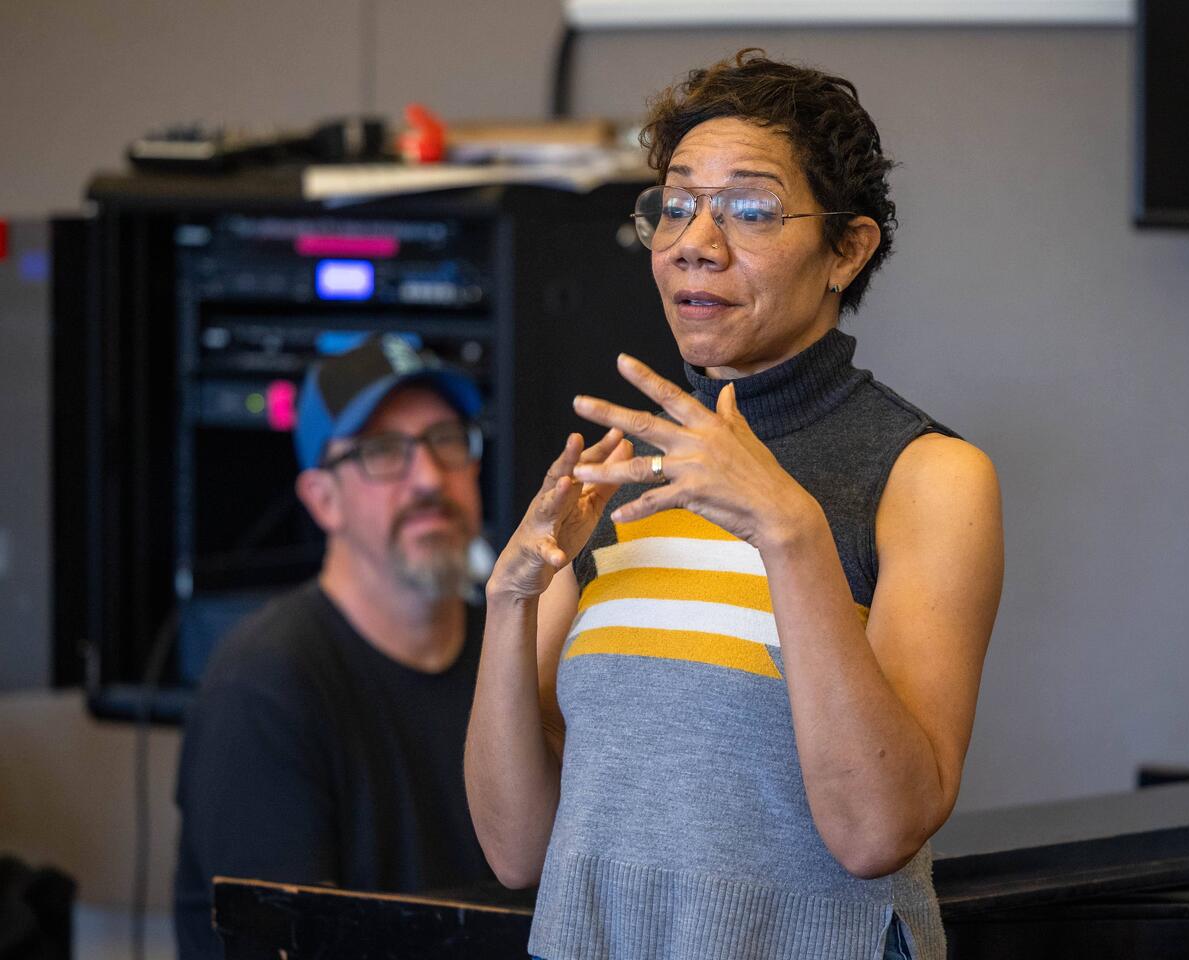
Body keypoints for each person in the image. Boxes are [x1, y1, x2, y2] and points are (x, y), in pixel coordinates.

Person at [465, 50, 1004, 960]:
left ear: (848, 249)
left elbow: (878, 832)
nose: (695, 241)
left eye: (750, 209)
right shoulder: (620, 472)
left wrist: (789, 531)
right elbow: (515, 851)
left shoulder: (925, 475)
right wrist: (508, 602)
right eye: (675, 205)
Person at [174, 334, 494, 959]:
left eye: (446, 440)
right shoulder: (264, 685)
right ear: (323, 499)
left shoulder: (513, 658)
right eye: (382, 452)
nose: (429, 477)